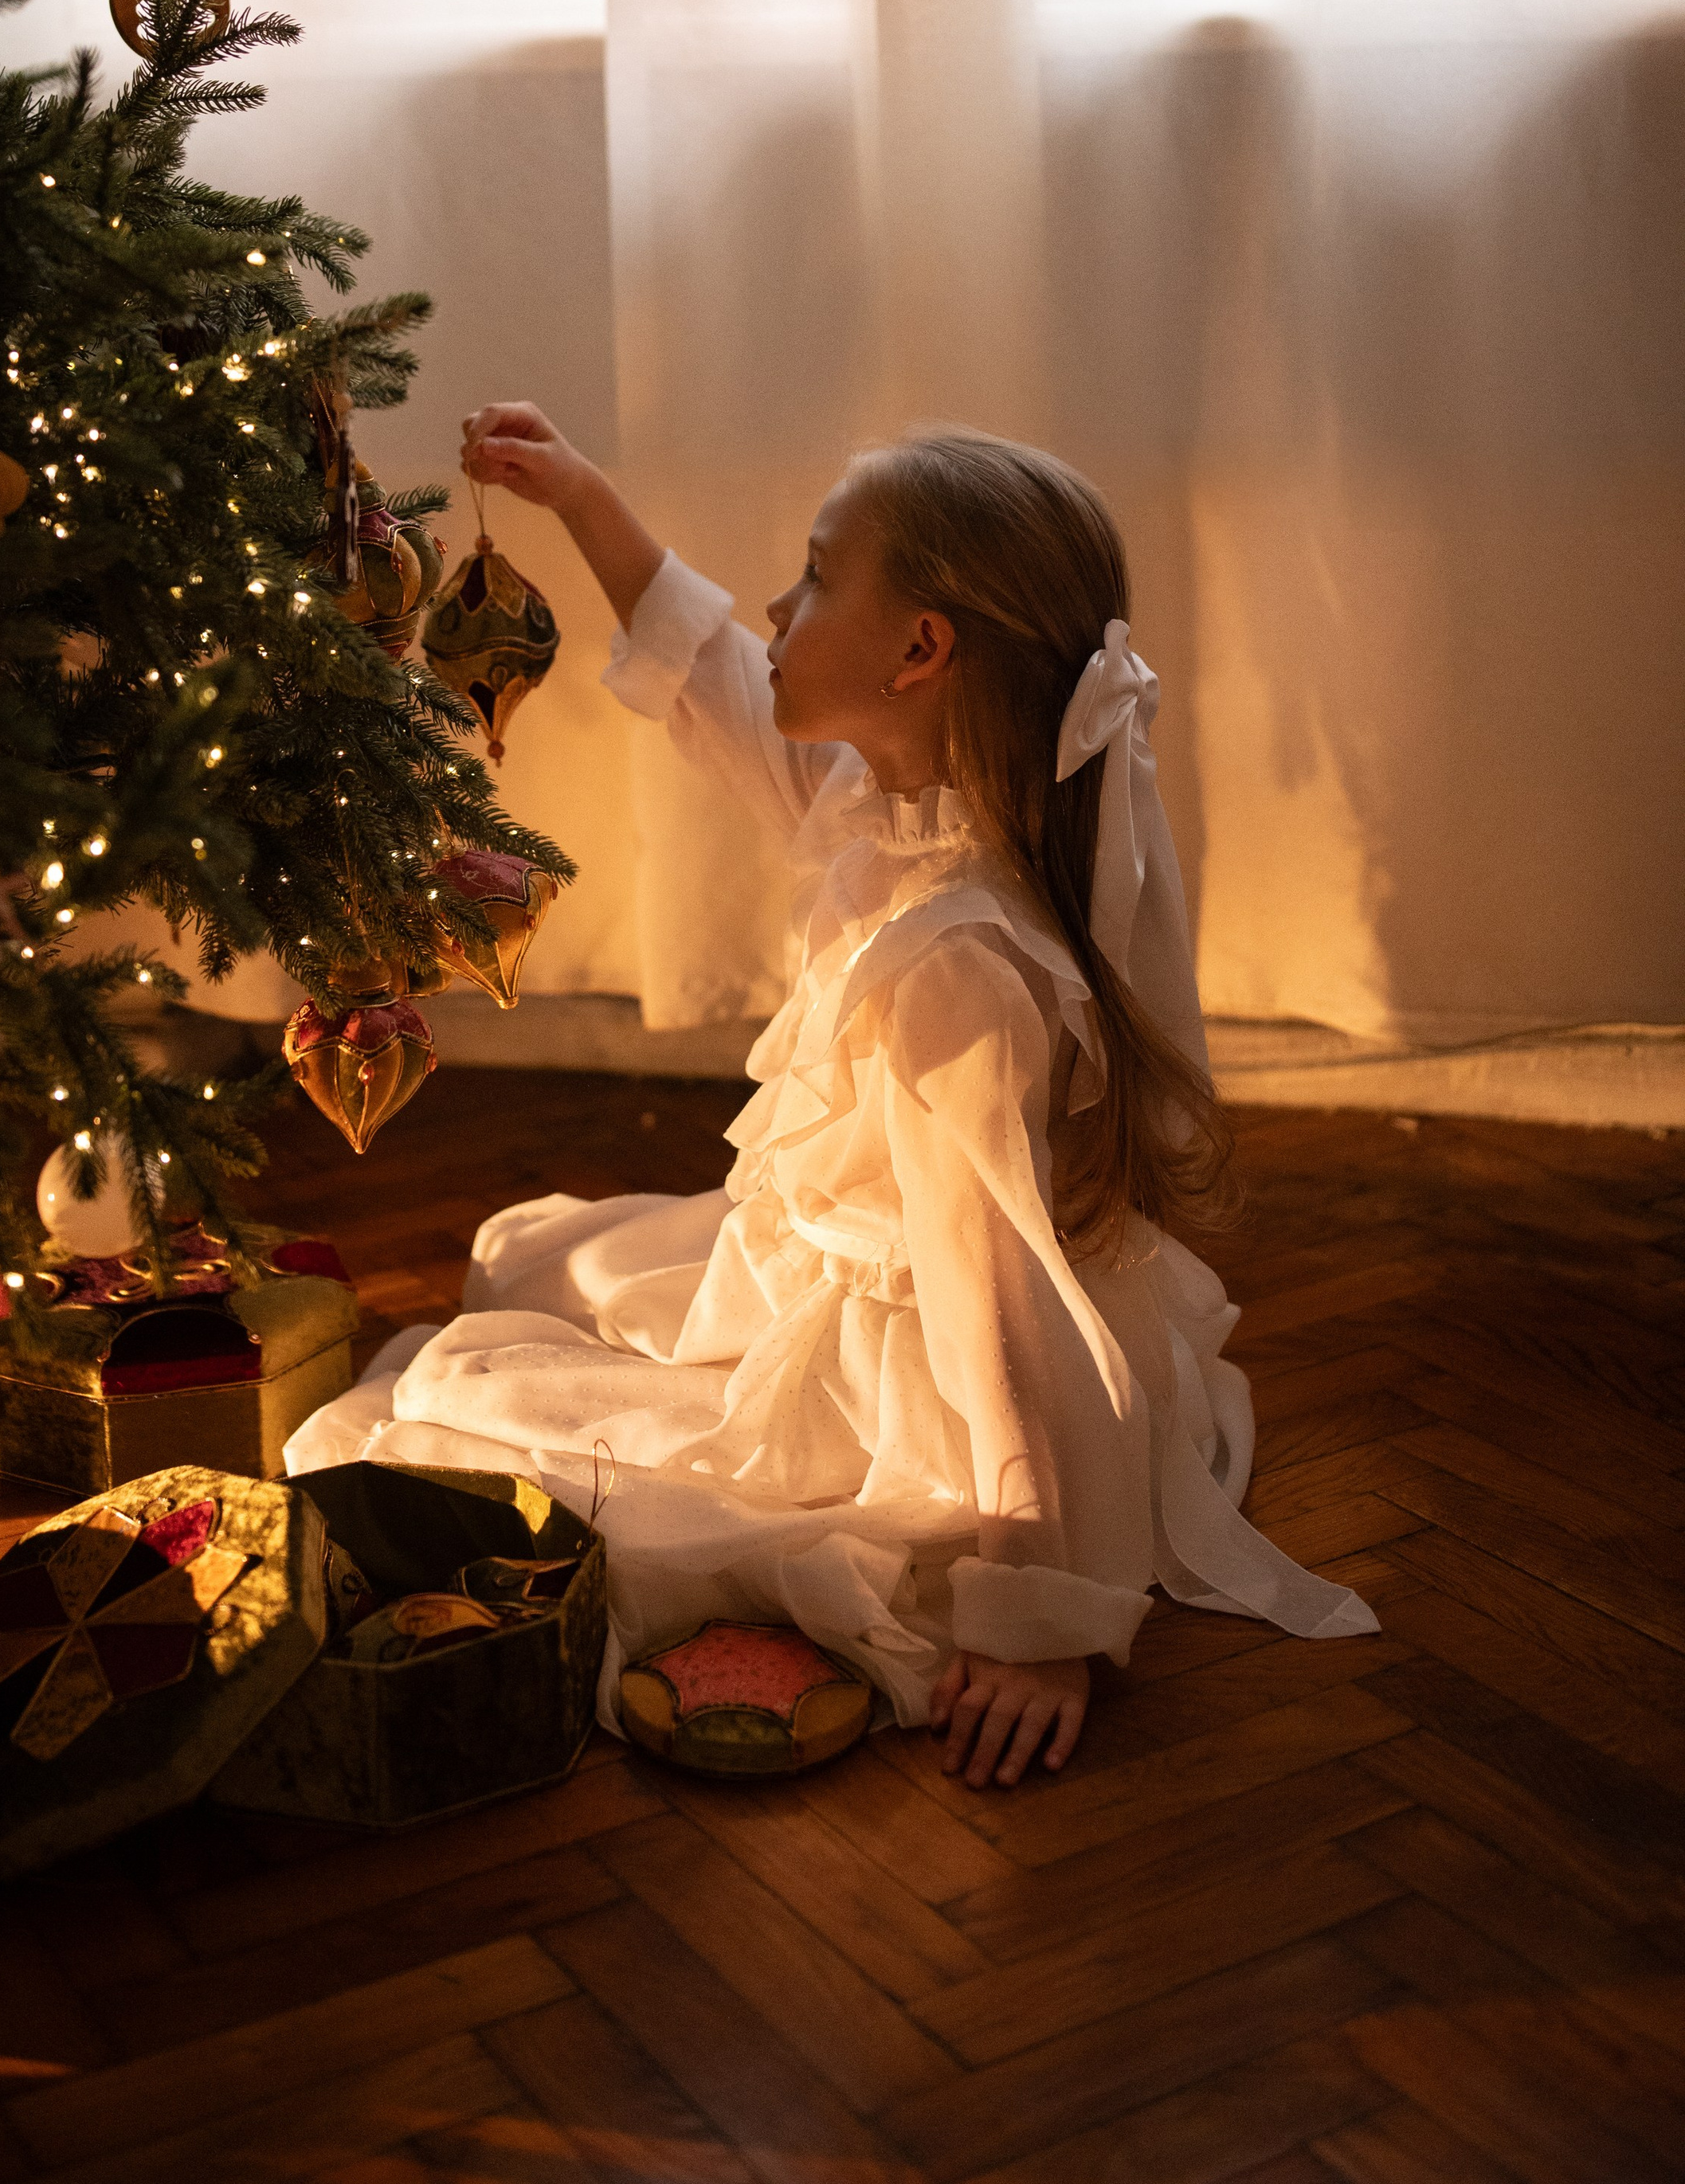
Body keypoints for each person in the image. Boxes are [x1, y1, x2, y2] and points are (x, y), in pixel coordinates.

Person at [285, 407, 1377, 1790]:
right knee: (529, 1251)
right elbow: (728, 686)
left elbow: (1003, 1298)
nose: (777, 604)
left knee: (430, 1405)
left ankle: (916, 1491)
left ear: (920, 653)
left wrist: (1041, 1610)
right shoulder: (909, 797)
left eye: (813, 578)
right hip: (828, 1264)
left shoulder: (957, 970)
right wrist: (581, 499)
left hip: (912, 1372)